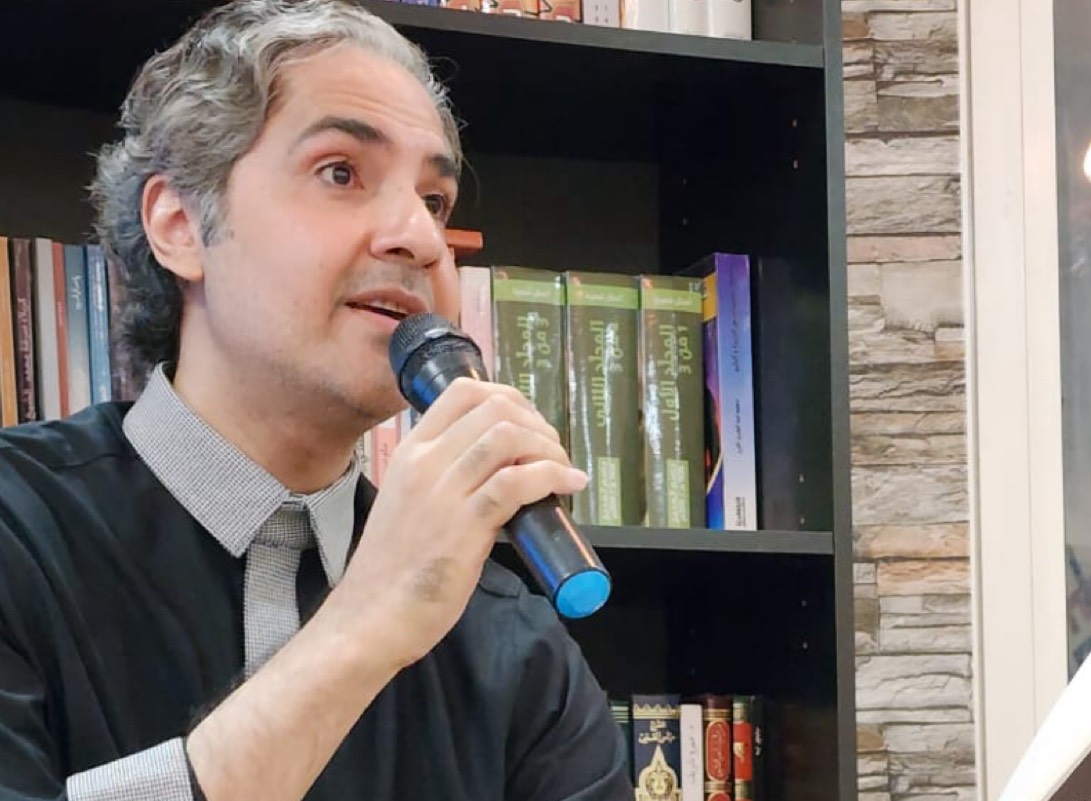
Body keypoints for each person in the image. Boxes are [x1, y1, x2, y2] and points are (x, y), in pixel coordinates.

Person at [0, 1, 634, 799]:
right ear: (180, 224)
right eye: (341, 172)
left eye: (435, 201)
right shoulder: (18, 529)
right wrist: (362, 627)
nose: (422, 238)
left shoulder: (513, 640)